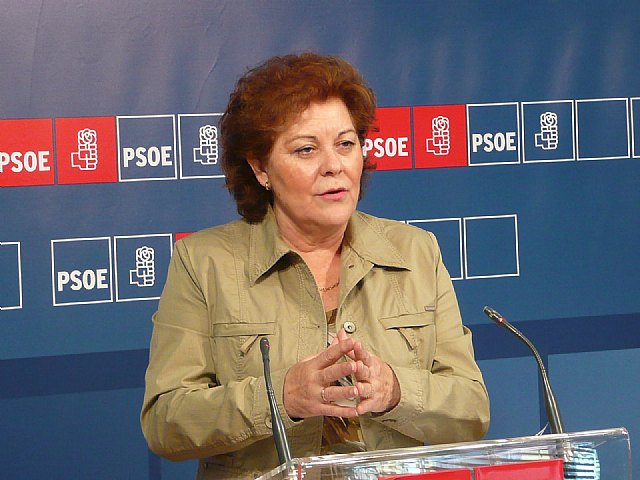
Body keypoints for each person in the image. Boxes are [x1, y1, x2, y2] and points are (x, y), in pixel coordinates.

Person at [141, 52, 490, 479]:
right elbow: (166, 422)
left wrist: (396, 390)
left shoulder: (417, 252)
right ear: (260, 168)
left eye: (346, 144)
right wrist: (280, 398)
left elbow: (472, 411)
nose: (334, 166)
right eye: (306, 149)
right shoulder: (204, 262)